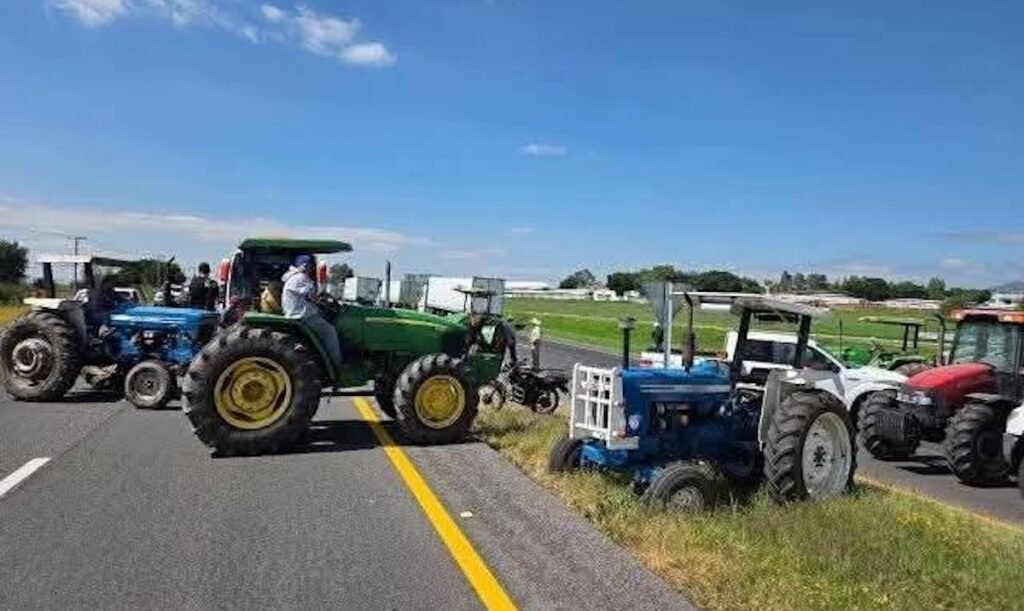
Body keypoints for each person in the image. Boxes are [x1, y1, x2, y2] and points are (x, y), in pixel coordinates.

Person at [282, 255, 342, 367]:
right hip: (300, 315)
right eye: (310, 266)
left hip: (298, 312)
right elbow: (314, 296)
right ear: (305, 266)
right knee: (330, 331)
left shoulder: (293, 277)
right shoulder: (300, 278)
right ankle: (335, 364)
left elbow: (311, 298)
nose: (312, 269)